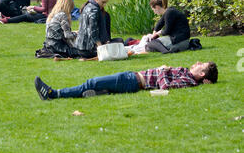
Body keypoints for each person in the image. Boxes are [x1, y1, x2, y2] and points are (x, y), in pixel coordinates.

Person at [34, 61, 218, 100]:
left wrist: (163, 70)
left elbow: (165, 86)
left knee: (90, 82)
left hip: (132, 81)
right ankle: (101, 93)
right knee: (94, 85)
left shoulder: (188, 80)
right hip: (132, 77)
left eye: (201, 65)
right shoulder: (185, 72)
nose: (197, 62)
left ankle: (52, 94)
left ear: (202, 75)